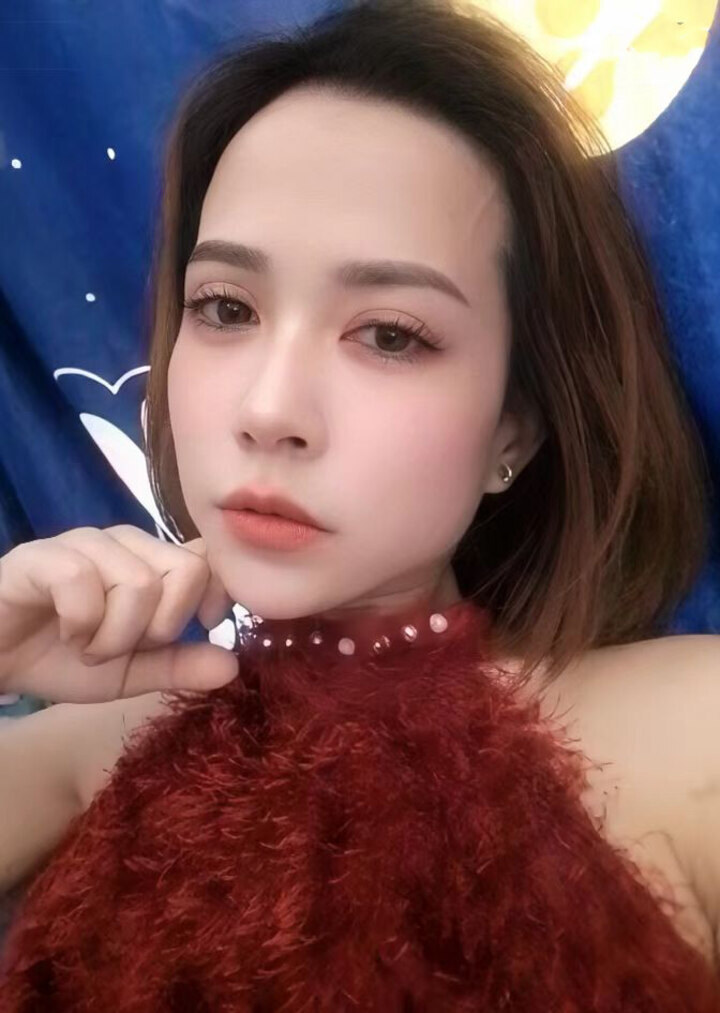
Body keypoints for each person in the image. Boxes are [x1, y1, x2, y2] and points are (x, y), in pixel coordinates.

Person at [0, 0, 719, 1007]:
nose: (269, 410)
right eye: (225, 308)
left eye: (389, 334)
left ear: (515, 429)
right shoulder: (98, 744)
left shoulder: (694, 729)